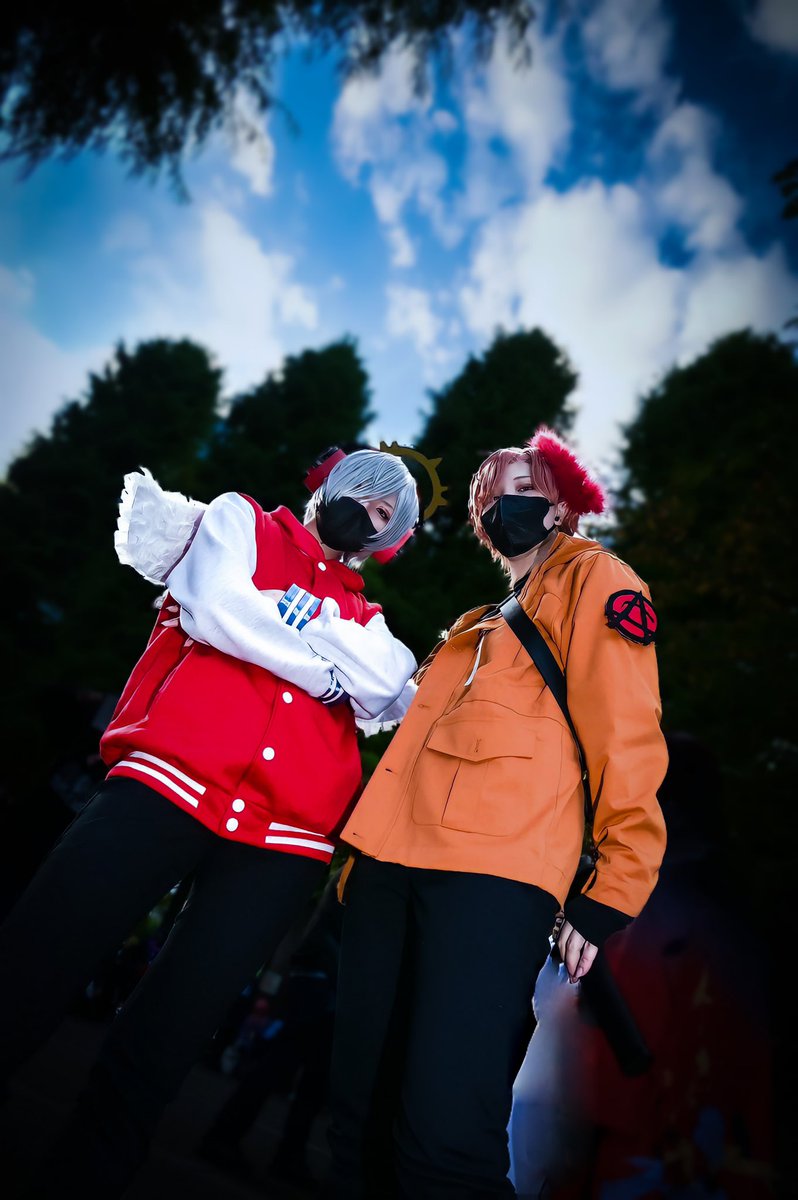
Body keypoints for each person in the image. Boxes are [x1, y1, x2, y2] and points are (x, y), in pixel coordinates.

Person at [0, 445, 419, 1199]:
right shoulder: (237, 520)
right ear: (326, 482)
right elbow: (220, 609)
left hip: (285, 840)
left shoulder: (374, 623)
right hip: (164, 782)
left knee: (165, 1044)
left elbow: (389, 684)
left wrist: (292, 625)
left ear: (389, 539)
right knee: (35, 960)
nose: (367, 510)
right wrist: (329, 673)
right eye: (360, 490)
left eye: (385, 513)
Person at [321, 425, 670, 1200]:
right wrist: (357, 862)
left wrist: (615, 884)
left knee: (443, 1138)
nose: (500, 505)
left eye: (522, 490)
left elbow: (627, 733)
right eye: (489, 496)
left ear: (561, 507)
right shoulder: (475, 623)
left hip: (493, 878)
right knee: (356, 1122)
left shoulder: (597, 579)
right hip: (386, 873)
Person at [508, 731, 776, 1200]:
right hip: (721, 1152)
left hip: (636, 1154)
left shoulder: (631, 911)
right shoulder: (747, 905)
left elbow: (594, 1080)